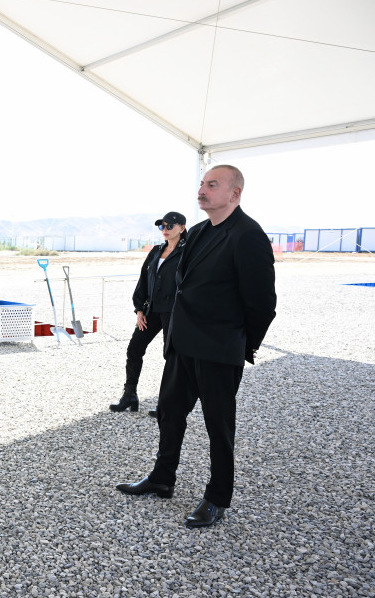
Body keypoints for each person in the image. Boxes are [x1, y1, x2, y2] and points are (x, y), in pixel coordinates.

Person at [116, 165, 277, 528]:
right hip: (182, 345)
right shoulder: (199, 232)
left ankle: (217, 497)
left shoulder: (248, 235)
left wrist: (243, 345)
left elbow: (262, 303)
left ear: (234, 193)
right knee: (169, 413)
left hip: (219, 349)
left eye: (212, 185)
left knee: (218, 426)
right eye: (202, 183)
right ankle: (162, 478)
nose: (202, 190)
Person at [110, 212, 187, 416]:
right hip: (152, 310)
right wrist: (139, 309)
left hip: (173, 312)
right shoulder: (156, 251)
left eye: (170, 226)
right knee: (134, 349)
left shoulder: (187, 252)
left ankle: (167, 404)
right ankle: (129, 396)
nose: (165, 230)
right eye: (162, 226)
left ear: (182, 228)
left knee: (171, 357)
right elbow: (143, 280)